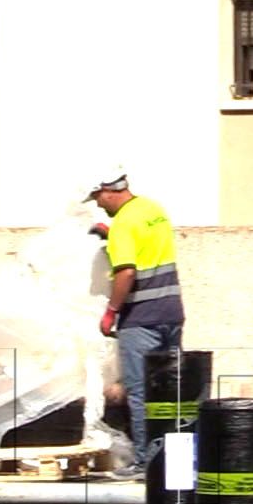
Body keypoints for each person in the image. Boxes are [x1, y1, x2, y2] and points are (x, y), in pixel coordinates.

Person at [87, 165, 184, 480]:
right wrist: (110, 235)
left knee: (141, 392)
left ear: (109, 190)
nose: (98, 204)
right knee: (171, 394)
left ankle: (145, 462)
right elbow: (146, 249)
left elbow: (127, 270)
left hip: (140, 318)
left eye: (98, 197)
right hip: (170, 313)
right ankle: (176, 464)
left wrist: (111, 311)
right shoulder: (152, 210)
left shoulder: (125, 223)